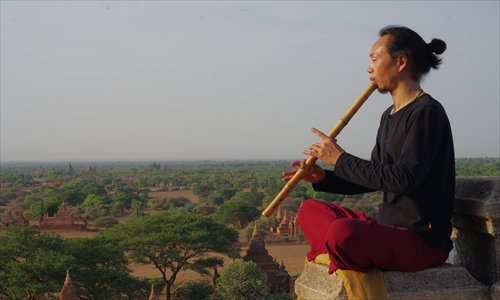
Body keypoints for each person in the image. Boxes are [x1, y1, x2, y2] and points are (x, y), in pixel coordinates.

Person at [283, 26, 455, 273]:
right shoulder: (388, 116)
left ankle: (337, 251)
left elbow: (405, 179)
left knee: (343, 233)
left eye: (375, 59)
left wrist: (340, 158)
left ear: (401, 62)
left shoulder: (426, 113)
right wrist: (324, 178)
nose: (369, 68)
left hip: (421, 240)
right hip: (388, 229)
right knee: (310, 210)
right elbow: (374, 178)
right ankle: (339, 252)